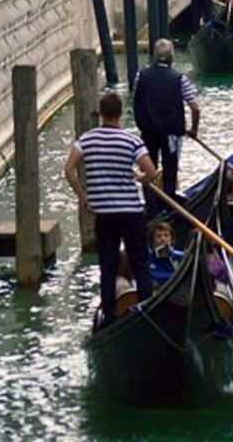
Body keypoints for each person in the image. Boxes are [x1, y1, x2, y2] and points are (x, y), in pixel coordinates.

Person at [63, 92, 159, 327]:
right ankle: (146, 310)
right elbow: (153, 173)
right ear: (119, 113)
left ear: (102, 113)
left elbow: (69, 170)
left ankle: (109, 315)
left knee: (107, 265)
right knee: (139, 262)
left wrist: (83, 196)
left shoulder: (86, 140)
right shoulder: (131, 140)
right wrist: (140, 179)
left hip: (104, 213)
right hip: (131, 212)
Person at [132, 38, 201, 201]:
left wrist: (141, 125)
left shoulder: (141, 76)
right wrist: (193, 130)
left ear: (155, 56)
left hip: (148, 133)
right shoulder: (179, 78)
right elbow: (195, 108)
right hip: (171, 133)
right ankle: (168, 206)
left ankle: (151, 206)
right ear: (171, 57)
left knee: (149, 169)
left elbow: (136, 103)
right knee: (170, 170)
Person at [147, 220, 184, 285]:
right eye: (158, 236)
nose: (163, 239)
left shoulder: (181, 256)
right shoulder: (146, 258)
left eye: (166, 235)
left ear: (171, 239)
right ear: (152, 241)